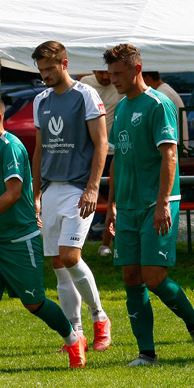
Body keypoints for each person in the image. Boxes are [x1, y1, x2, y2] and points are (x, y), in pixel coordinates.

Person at [0, 94, 86, 373]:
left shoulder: (11, 147)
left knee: (34, 303)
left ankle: (73, 339)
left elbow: (14, 193)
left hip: (19, 239)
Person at [103, 43, 194, 366]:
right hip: (127, 204)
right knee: (131, 278)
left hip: (156, 202)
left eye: (118, 74)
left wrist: (163, 201)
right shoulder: (121, 107)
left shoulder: (158, 104)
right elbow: (117, 161)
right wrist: (111, 205)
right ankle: (146, 353)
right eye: (110, 74)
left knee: (154, 277)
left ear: (137, 69)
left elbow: (170, 154)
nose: (114, 80)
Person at [31, 41, 111, 352]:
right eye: (41, 70)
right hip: (51, 190)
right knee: (57, 264)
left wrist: (93, 187)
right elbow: (39, 151)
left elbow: (101, 143)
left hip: (79, 188)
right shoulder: (42, 100)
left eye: (50, 68)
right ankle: (75, 334)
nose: (45, 74)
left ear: (65, 63)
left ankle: (99, 316)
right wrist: (36, 192)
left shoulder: (85, 94)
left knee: (70, 256)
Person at [80, 69, 120, 257]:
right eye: (101, 73)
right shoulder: (85, 84)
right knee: (96, 191)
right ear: (93, 70)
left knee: (115, 195)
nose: (106, 77)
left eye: (108, 73)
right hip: (94, 151)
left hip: (116, 150)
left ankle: (107, 243)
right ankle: (105, 219)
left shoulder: (119, 82)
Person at [142, 71, 189, 143]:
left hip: (174, 144)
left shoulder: (162, 94)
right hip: (172, 142)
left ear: (147, 78)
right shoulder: (163, 90)